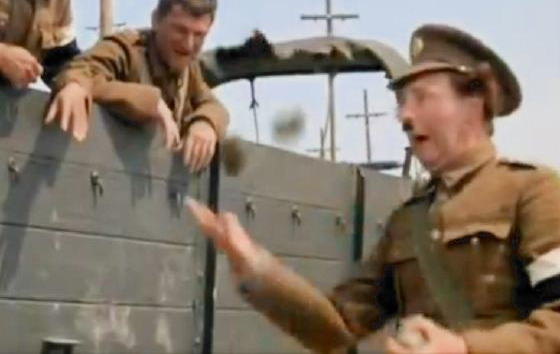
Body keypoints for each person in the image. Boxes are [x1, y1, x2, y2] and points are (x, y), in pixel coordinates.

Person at [187, 24, 560, 353]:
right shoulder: (408, 220)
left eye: (422, 97)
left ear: (474, 104)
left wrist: (466, 348)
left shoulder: (533, 193)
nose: (405, 117)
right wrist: (257, 268)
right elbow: (337, 330)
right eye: (402, 103)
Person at [46, 0, 229, 173]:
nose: (189, 44)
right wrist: (150, 101)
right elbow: (77, 74)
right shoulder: (126, 50)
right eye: (180, 30)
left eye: (199, 35)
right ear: (156, 20)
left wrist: (205, 123)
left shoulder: (188, 70)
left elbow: (212, 104)